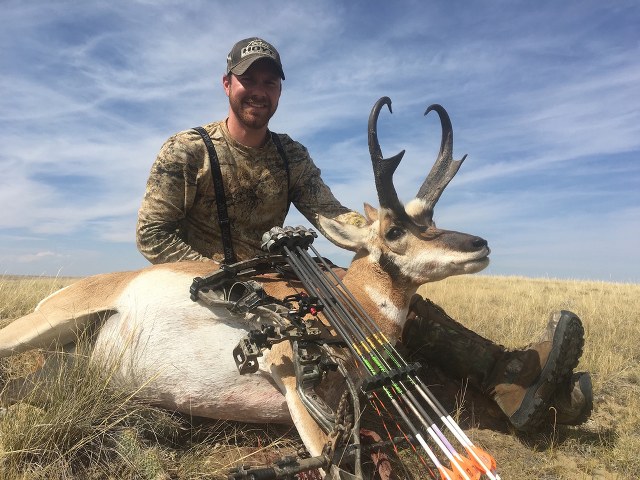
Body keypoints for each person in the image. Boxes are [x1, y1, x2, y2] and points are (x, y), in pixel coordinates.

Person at [136, 37, 592, 432]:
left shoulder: (289, 154)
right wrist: (220, 277)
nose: (258, 92)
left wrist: (390, 234)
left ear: (279, 90)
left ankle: (510, 377)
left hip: (284, 276)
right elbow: (152, 233)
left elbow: (329, 211)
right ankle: (517, 393)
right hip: (209, 283)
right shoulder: (189, 150)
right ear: (227, 83)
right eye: (248, 81)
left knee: (389, 299)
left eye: (269, 83)